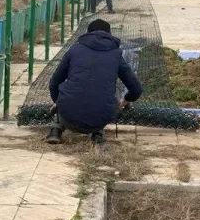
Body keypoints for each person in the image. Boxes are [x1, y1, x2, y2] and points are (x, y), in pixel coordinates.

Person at [46, 19, 143, 147]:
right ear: (109, 34)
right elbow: (136, 89)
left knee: (70, 88)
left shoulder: (74, 50)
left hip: (68, 116)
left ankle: (56, 129)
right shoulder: (116, 54)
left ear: (88, 33)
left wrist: (57, 102)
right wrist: (126, 99)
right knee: (111, 89)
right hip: (101, 118)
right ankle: (97, 133)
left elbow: (54, 82)